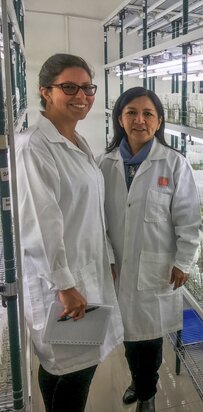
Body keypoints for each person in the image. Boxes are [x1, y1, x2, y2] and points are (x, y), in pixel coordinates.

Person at [16, 53, 124, 412]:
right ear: (45, 91)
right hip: (61, 283)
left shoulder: (76, 141)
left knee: (63, 366)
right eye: (69, 87)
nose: (82, 95)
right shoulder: (34, 147)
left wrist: (107, 255)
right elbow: (39, 225)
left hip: (84, 271)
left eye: (88, 87)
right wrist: (64, 285)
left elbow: (90, 210)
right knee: (75, 369)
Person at [99, 87, 201, 412]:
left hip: (158, 268)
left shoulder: (174, 164)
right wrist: (108, 257)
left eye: (148, 114)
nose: (139, 120)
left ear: (158, 122)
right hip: (118, 267)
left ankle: (148, 393)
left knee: (152, 340)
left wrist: (185, 261)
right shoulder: (104, 164)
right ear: (120, 119)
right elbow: (96, 221)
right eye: (131, 112)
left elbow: (188, 219)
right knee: (129, 337)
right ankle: (138, 382)